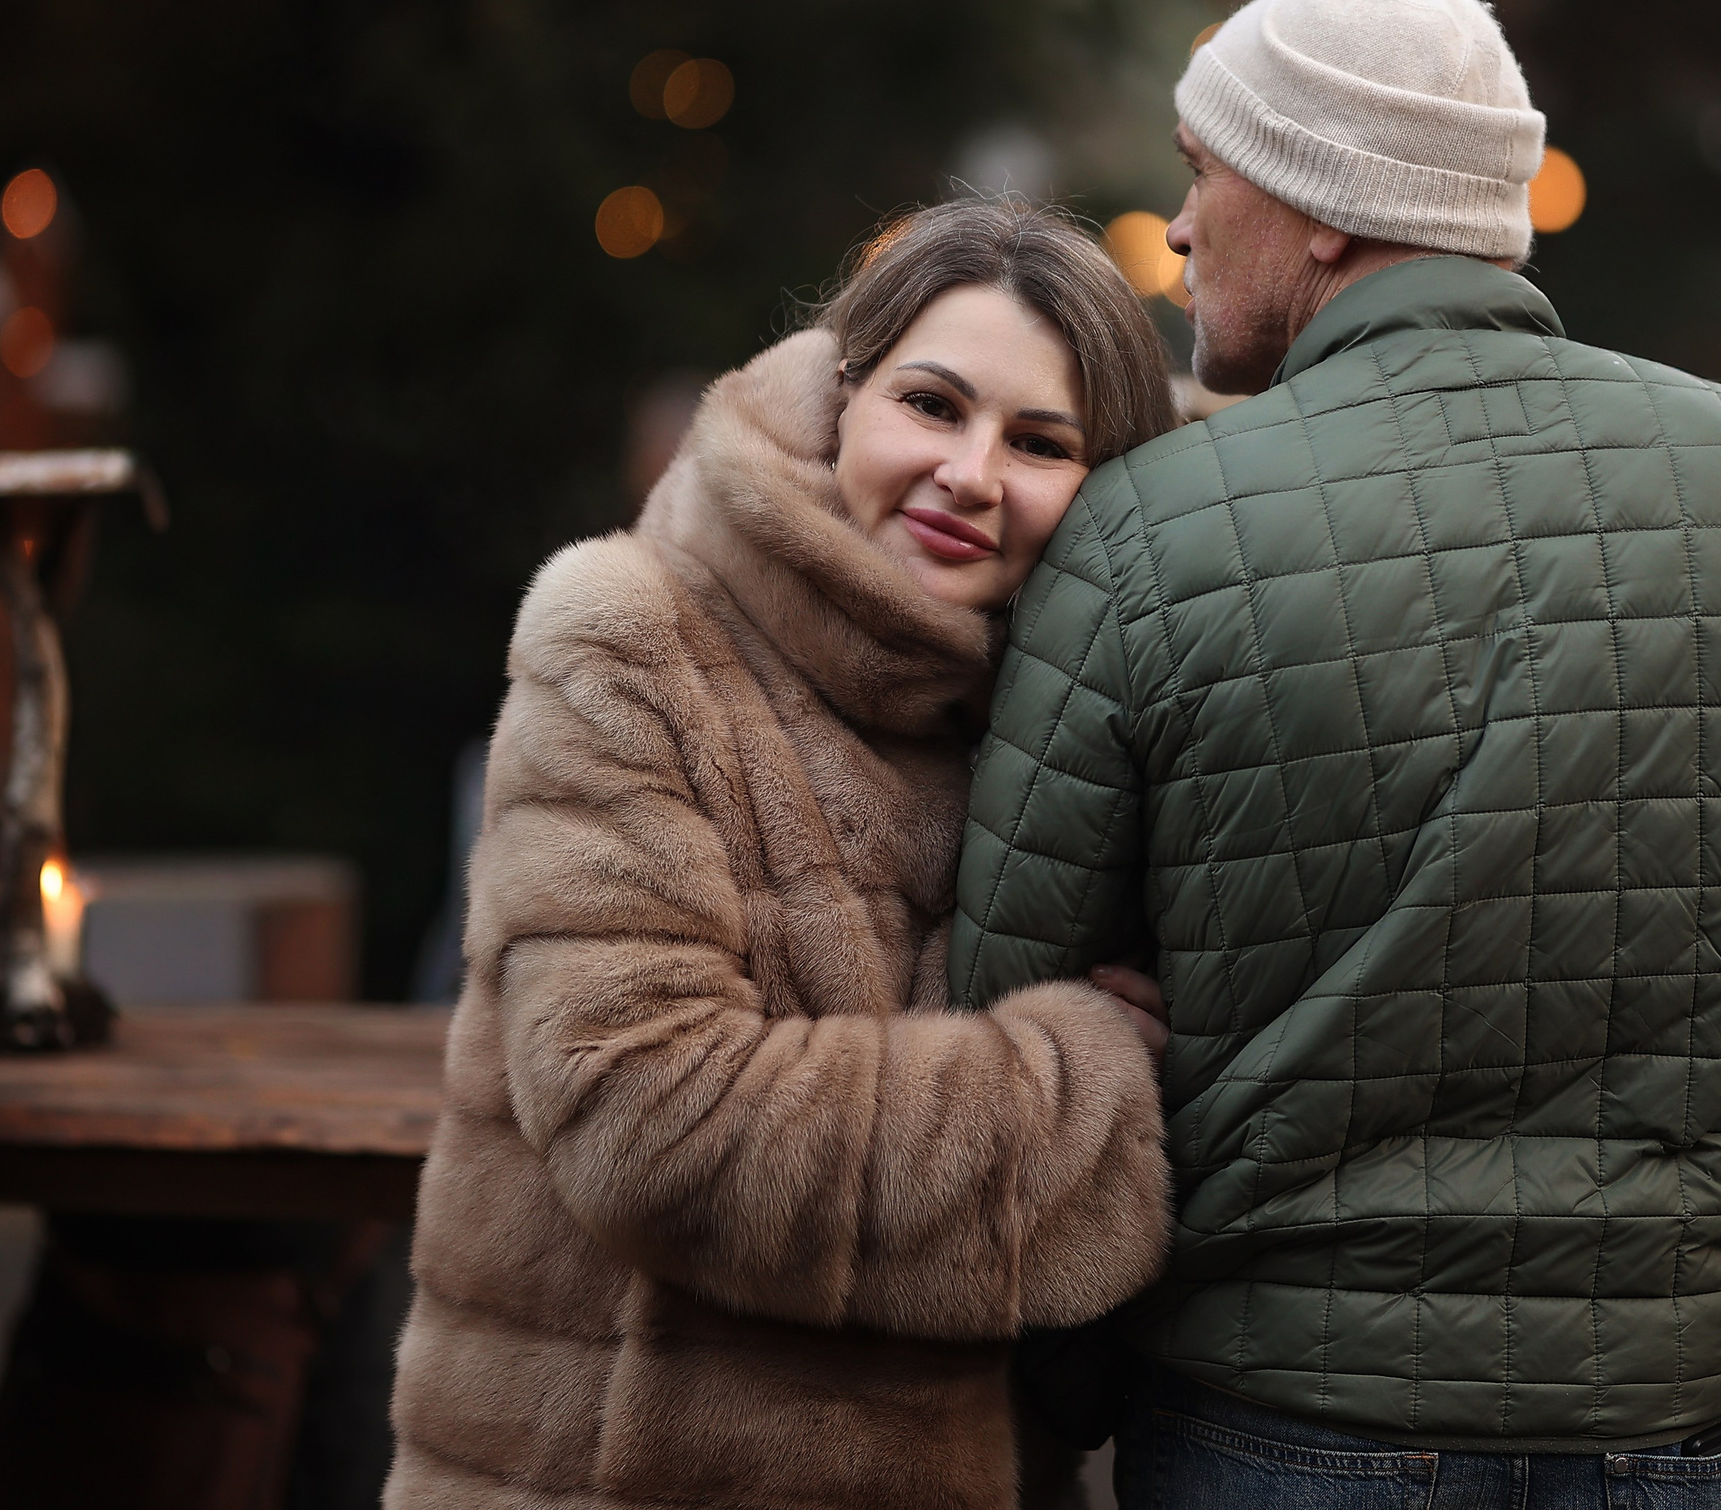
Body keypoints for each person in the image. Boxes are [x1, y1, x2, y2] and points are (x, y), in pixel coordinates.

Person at [951, 0, 1721, 1506]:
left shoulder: (1150, 532)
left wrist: (1090, 1372)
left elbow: (1009, 1024)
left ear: (1327, 206)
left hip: (1273, 1417)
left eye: (1201, 171)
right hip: (1680, 1434)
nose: (1176, 228)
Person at [385, 199, 1183, 1510]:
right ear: (842, 393)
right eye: (933, 405)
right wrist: (1078, 1085)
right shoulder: (634, 635)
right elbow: (646, 1120)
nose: (973, 474)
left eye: (1041, 442)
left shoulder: (1051, 706)